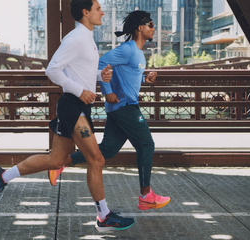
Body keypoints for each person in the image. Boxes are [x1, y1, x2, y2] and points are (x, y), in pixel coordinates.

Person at [0, 0, 135, 232]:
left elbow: (78, 70)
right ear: (86, 12)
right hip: (72, 106)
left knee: (56, 160)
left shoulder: (86, 38)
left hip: (78, 105)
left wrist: (99, 76)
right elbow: (52, 69)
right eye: (98, 8)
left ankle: (2, 176)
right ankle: (103, 216)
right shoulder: (74, 39)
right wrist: (80, 90)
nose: (102, 12)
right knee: (97, 159)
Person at [48, 10, 171, 211]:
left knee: (107, 150)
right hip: (124, 107)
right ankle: (145, 195)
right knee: (146, 144)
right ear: (140, 28)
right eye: (150, 24)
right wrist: (107, 91)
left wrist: (143, 79)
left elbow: (127, 75)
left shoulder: (139, 52)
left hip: (122, 107)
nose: (153, 28)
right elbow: (102, 64)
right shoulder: (128, 49)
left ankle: (61, 164)